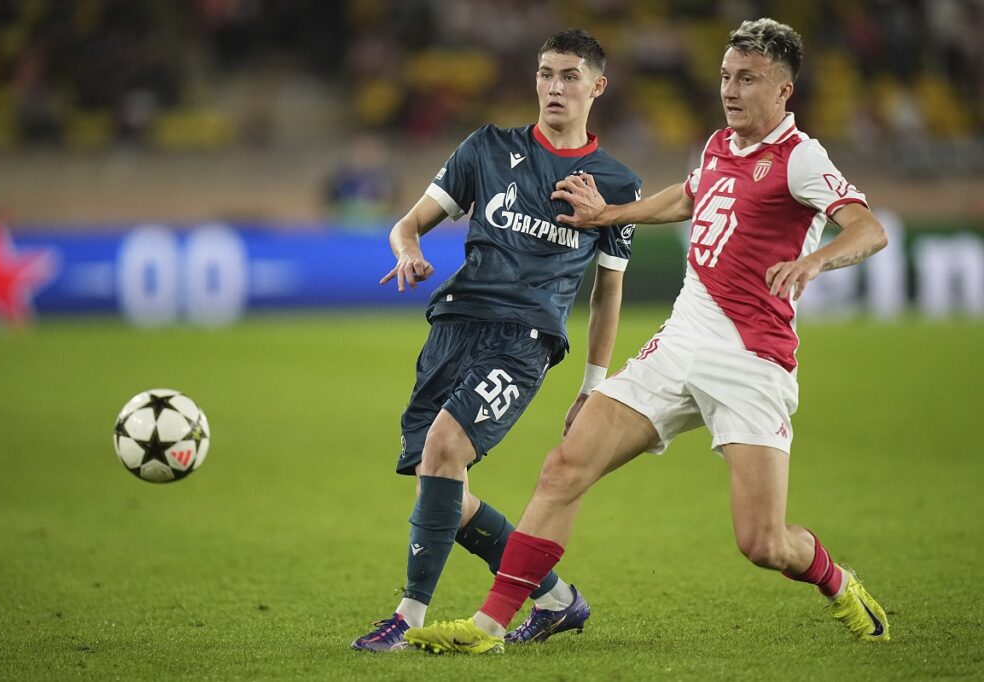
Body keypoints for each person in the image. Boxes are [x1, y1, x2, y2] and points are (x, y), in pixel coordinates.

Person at [404, 17, 891, 655]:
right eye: (725, 76)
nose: (731, 90)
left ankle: (836, 580)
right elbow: (688, 198)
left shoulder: (801, 157)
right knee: (564, 466)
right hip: (681, 339)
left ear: (784, 93)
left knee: (762, 543)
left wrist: (814, 260)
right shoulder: (720, 145)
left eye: (748, 80)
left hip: (751, 359)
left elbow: (868, 228)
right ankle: (488, 627)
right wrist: (609, 215)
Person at [350, 29, 642, 652]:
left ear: (597, 86)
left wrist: (595, 386)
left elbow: (607, 292)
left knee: (443, 448)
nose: (553, 87)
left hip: (525, 340)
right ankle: (556, 597)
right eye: (544, 74)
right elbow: (408, 224)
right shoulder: (486, 148)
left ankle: (407, 618)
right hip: (453, 326)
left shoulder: (616, 184)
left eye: (568, 75)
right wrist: (409, 253)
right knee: (440, 481)